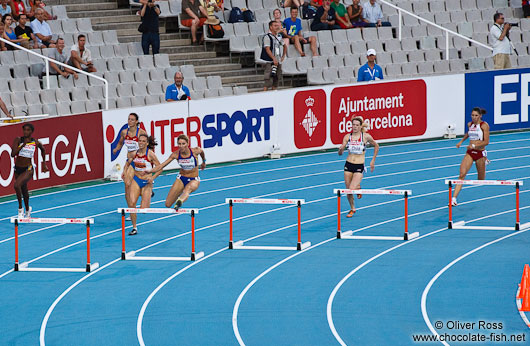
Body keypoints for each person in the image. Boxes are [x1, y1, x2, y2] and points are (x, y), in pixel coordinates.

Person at [149, 134, 206, 210]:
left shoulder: (195, 151)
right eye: (179, 144)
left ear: (187, 144)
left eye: (183, 144)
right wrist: (149, 171)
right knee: (168, 204)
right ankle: (180, 194)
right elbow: (161, 166)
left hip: (194, 179)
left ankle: (180, 201)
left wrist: (204, 161)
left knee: (187, 189)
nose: (181, 146)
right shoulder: (175, 154)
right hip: (181, 178)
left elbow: (202, 152)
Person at [338, 116, 379, 217]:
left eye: (357, 125)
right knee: (348, 190)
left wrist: (373, 160)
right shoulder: (347, 137)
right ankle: (352, 208)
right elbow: (340, 153)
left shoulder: (365, 136)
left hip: (359, 165)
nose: (355, 127)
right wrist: (341, 149)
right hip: (348, 164)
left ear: (360, 126)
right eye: (353, 125)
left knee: (352, 188)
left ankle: (357, 187)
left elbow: (376, 145)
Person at [122, 134, 162, 235]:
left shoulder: (150, 154)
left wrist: (152, 178)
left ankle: (147, 193)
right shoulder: (134, 153)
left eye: (143, 141)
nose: (141, 143)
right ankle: (134, 227)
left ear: (147, 143)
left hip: (147, 182)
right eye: (140, 141)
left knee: (144, 209)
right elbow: (128, 163)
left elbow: (160, 168)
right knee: (132, 204)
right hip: (136, 179)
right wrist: (124, 171)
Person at [113, 113, 148, 221]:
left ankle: (146, 190)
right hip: (130, 162)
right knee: (127, 187)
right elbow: (120, 143)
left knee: (139, 185)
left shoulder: (141, 133)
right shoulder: (124, 132)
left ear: (137, 121)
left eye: (132, 119)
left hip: (139, 162)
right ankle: (131, 210)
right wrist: (116, 149)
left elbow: (148, 146)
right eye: (129, 119)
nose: (130, 121)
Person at [452, 107, 490, 206]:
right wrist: (460, 142)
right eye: (472, 115)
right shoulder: (470, 124)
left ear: (480, 116)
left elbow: (486, 142)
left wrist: (474, 145)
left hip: (480, 153)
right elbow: (468, 133)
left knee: (481, 180)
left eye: (476, 115)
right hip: (470, 152)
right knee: (462, 174)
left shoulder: (484, 126)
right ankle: (454, 199)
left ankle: (485, 160)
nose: (474, 117)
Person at [11, 123, 48, 218]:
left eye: (28, 130)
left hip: (28, 169)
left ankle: (20, 210)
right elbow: (13, 154)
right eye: (24, 130)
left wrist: (44, 164)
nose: (26, 132)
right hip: (17, 168)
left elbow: (43, 150)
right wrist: (22, 145)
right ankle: (27, 209)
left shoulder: (35, 142)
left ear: (31, 131)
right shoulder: (18, 140)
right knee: (24, 190)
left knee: (16, 185)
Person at [261, 20, 286, 91]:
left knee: (277, 78)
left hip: (278, 60)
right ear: (270, 27)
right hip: (269, 60)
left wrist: (283, 55)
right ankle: (264, 93)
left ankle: (274, 93)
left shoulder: (278, 36)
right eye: (275, 26)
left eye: (277, 26)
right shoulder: (267, 37)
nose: (277, 27)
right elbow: (267, 49)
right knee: (268, 78)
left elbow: (284, 46)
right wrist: (273, 58)